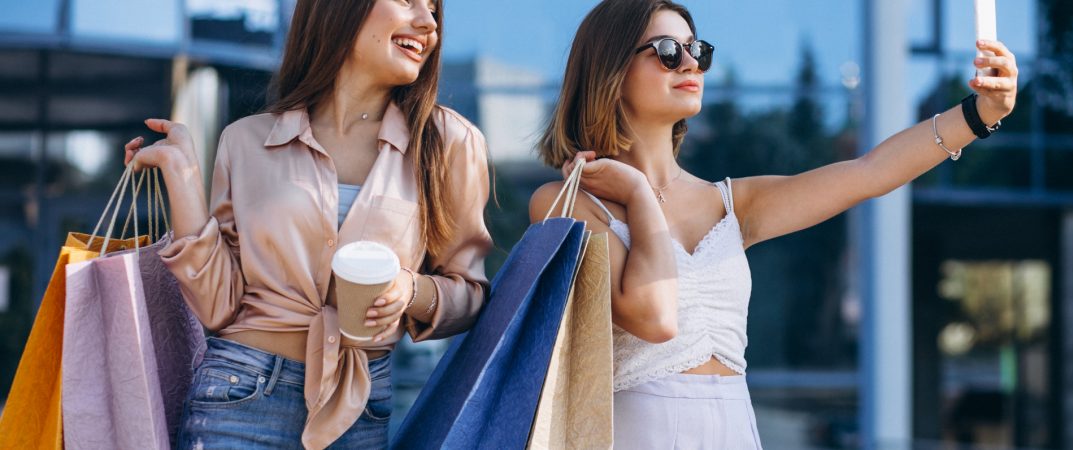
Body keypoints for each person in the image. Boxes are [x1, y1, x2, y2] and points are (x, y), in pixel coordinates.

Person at [529, 0, 1019, 447]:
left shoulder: (731, 203)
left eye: (696, 49)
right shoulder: (566, 203)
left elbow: (870, 174)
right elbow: (654, 317)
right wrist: (637, 194)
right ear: (610, 70)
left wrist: (980, 114)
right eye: (666, 51)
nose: (691, 63)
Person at [123, 0, 492, 448]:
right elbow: (219, 306)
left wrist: (410, 291)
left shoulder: (450, 144)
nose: (428, 22)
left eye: (433, 9)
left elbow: (471, 293)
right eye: (408, 1)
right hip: (238, 395)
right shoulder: (246, 140)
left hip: (359, 409)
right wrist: (181, 178)